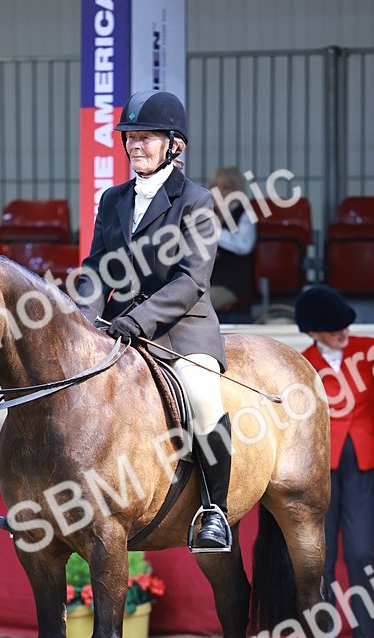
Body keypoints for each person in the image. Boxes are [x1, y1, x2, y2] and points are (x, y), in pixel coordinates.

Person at [73, 89, 231, 552]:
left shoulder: (197, 202)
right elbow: (97, 267)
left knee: (201, 396)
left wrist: (137, 320)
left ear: (173, 145)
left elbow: (190, 281)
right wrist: (85, 322)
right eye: (130, 137)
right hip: (122, 325)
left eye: (146, 138)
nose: (135, 146)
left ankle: (214, 511)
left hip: (182, 328)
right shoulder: (114, 199)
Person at [297, 285, 374, 638]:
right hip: (320, 466)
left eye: (344, 324)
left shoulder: (371, 350)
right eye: (332, 327)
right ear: (313, 332)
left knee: (360, 551)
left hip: (366, 464)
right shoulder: (303, 362)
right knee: (324, 554)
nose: (343, 332)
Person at [207, 165, 256, 313]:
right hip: (204, 283)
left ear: (237, 191)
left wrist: (212, 231)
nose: (219, 192)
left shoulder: (245, 214)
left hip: (232, 285)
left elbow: (244, 245)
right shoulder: (206, 214)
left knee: (194, 303)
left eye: (226, 187)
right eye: (215, 186)